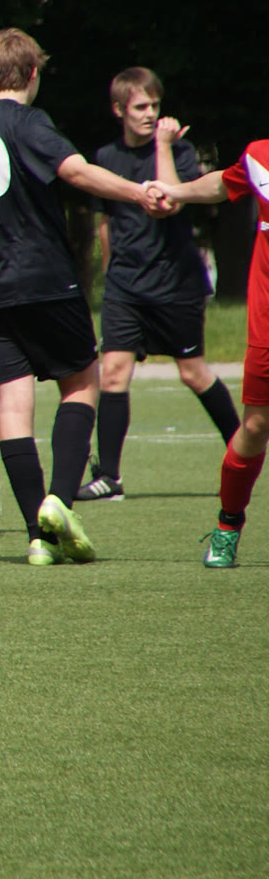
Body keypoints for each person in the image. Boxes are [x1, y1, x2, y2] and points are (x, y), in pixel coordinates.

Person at [0, 29, 166, 566]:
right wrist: (138, 192)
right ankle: (60, 502)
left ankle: (38, 537)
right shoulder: (28, 121)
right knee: (81, 381)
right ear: (31, 74)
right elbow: (75, 171)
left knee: (11, 403)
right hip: (39, 277)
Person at [80, 68, 238, 501]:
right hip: (126, 286)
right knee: (113, 373)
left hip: (175, 284)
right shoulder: (105, 157)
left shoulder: (178, 150)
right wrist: (111, 274)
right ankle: (109, 477)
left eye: (155, 105)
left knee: (193, 373)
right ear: (119, 110)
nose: (150, 114)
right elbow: (106, 222)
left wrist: (164, 146)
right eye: (140, 107)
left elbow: (169, 202)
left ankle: (244, 448)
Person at [147, 138, 269, 566]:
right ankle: (228, 525)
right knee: (255, 425)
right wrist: (175, 191)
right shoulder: (260, 156)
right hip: (266, 323)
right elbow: (223, 183)